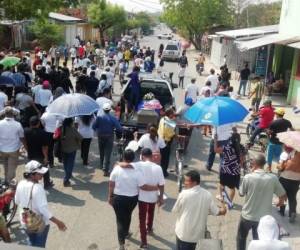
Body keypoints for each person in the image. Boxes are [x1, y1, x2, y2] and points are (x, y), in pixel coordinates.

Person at [108, 149, 159, 250]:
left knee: (120, 220)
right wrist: (155, 187)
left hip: (118, 199)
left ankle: (121, 244)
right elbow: (143, 187)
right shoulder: (137, 172)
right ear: (133, 159)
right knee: (128, 215)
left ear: (123, 157)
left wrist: (110, 196)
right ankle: (126, 232)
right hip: (132, 200)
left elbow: (111, 184)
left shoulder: (116, 169)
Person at [237, 154, 286, 250]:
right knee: (259, 241)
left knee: (241, 238)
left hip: (247, 215)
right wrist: (279, 202)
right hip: (263, 220)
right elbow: (283, 195)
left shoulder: (248, 177)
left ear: (253, 164)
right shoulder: (273, 178)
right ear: (264, 164)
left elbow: (241, 193)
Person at [15, 160, 67, 248]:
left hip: (25, 220)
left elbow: (16, 201)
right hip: (39, 223)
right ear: (32, 175)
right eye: (39, 173)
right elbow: (43, 210)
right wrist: (58, 222)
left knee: (31, 243)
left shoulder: (20, 183)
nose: (42, 175)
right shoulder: (38, 188)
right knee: (39, 246)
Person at [172, 170, 226, 250]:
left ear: (194, 182)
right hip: (198, 237)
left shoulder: (183, 194)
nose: (184, 183)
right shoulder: (207, 195)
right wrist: (223, 205)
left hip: (183, 234)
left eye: (187, 181)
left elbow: (175, 210)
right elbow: (218, 212)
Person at [93, 103, 122, 176]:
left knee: (102, 151)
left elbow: (94, 127)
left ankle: (102, 165)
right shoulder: (113, 118)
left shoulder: (99, 117)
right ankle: (106, 170)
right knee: (107, 153)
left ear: (103, 109)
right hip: (109, 137)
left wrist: (98, 131)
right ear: (109, 110)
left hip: (100, 136)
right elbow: (119, 128)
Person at [24, 116, 53, 189]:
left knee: (31, 170)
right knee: (44, 169)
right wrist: (46, 157)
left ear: (30, 123)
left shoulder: (26, 131)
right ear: (38, 123)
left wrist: (27, 150)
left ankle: (30, 183)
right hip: (40, 155)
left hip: (31, 154)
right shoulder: (43, 133)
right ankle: (47, 183)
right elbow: (44, 147)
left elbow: (25, 142)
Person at [0, 107, 26, 182]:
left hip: (2, 148)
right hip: (14, 149)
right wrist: (25, 146)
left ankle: (6, 179)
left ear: (5, 114)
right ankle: (9, 182)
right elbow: (22, 137)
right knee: (12, 166)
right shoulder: (18, 124)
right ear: (13, 114)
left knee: (5, 165)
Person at [214, 133, 241, 205]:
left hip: (225, 170)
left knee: (222, 185)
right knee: (232, 188)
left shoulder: (227, 147)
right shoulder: (241, 147)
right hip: (235, 171)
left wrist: (215, 140)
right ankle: (230, 202)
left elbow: (216, 150)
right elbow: (242, 159)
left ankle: (222, 198)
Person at [277, 145, 300, 223]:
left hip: (284, 178)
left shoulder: (285, 154)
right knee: (292, 197)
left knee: (282, 195)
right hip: (296, 180)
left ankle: (282, 211)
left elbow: (280, 167)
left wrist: (279, 166)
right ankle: (292, 212)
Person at [60, 118, 83, 187]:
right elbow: (81, 137)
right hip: (72, 149)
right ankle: (66, 178)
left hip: (63, 149)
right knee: (70, 163)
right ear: (70, 123)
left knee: (65, 163)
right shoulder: (72, 129)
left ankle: (68, 174)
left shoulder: (60, 129)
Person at [158, 107, 176, 177]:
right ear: (170, 114)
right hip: (166, 142)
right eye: (173, 113)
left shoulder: (163, 119)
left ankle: (161, 171)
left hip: (161, 140)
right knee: (165, 158)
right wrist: (175, 135)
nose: (174, 114)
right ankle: (164, 172)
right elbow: (169, 133)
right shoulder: (168, 121)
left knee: (162, 157)